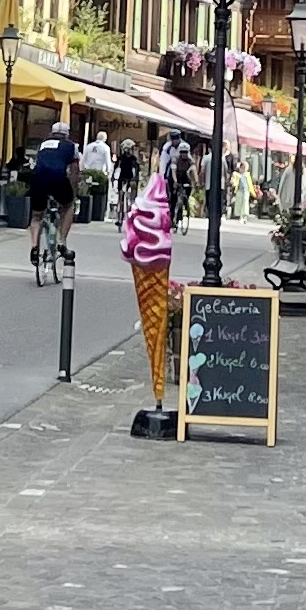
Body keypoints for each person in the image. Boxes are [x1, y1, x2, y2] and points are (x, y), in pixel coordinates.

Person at [122, 148, 178, 437]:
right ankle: (157, 392)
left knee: (154, 325)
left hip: (151, 252)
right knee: (154, 324)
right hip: (151, 253)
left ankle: (158, 391)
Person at [28, 116, 80, 273]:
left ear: (51, 133)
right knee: (68, 206)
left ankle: (34, 247)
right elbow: (74, 171)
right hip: (58, 179)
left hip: (38, 179)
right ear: (67, 134)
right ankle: (62, 241)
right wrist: (73, 191)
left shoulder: (43, 144)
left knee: (36, 216)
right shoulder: (71, 146)